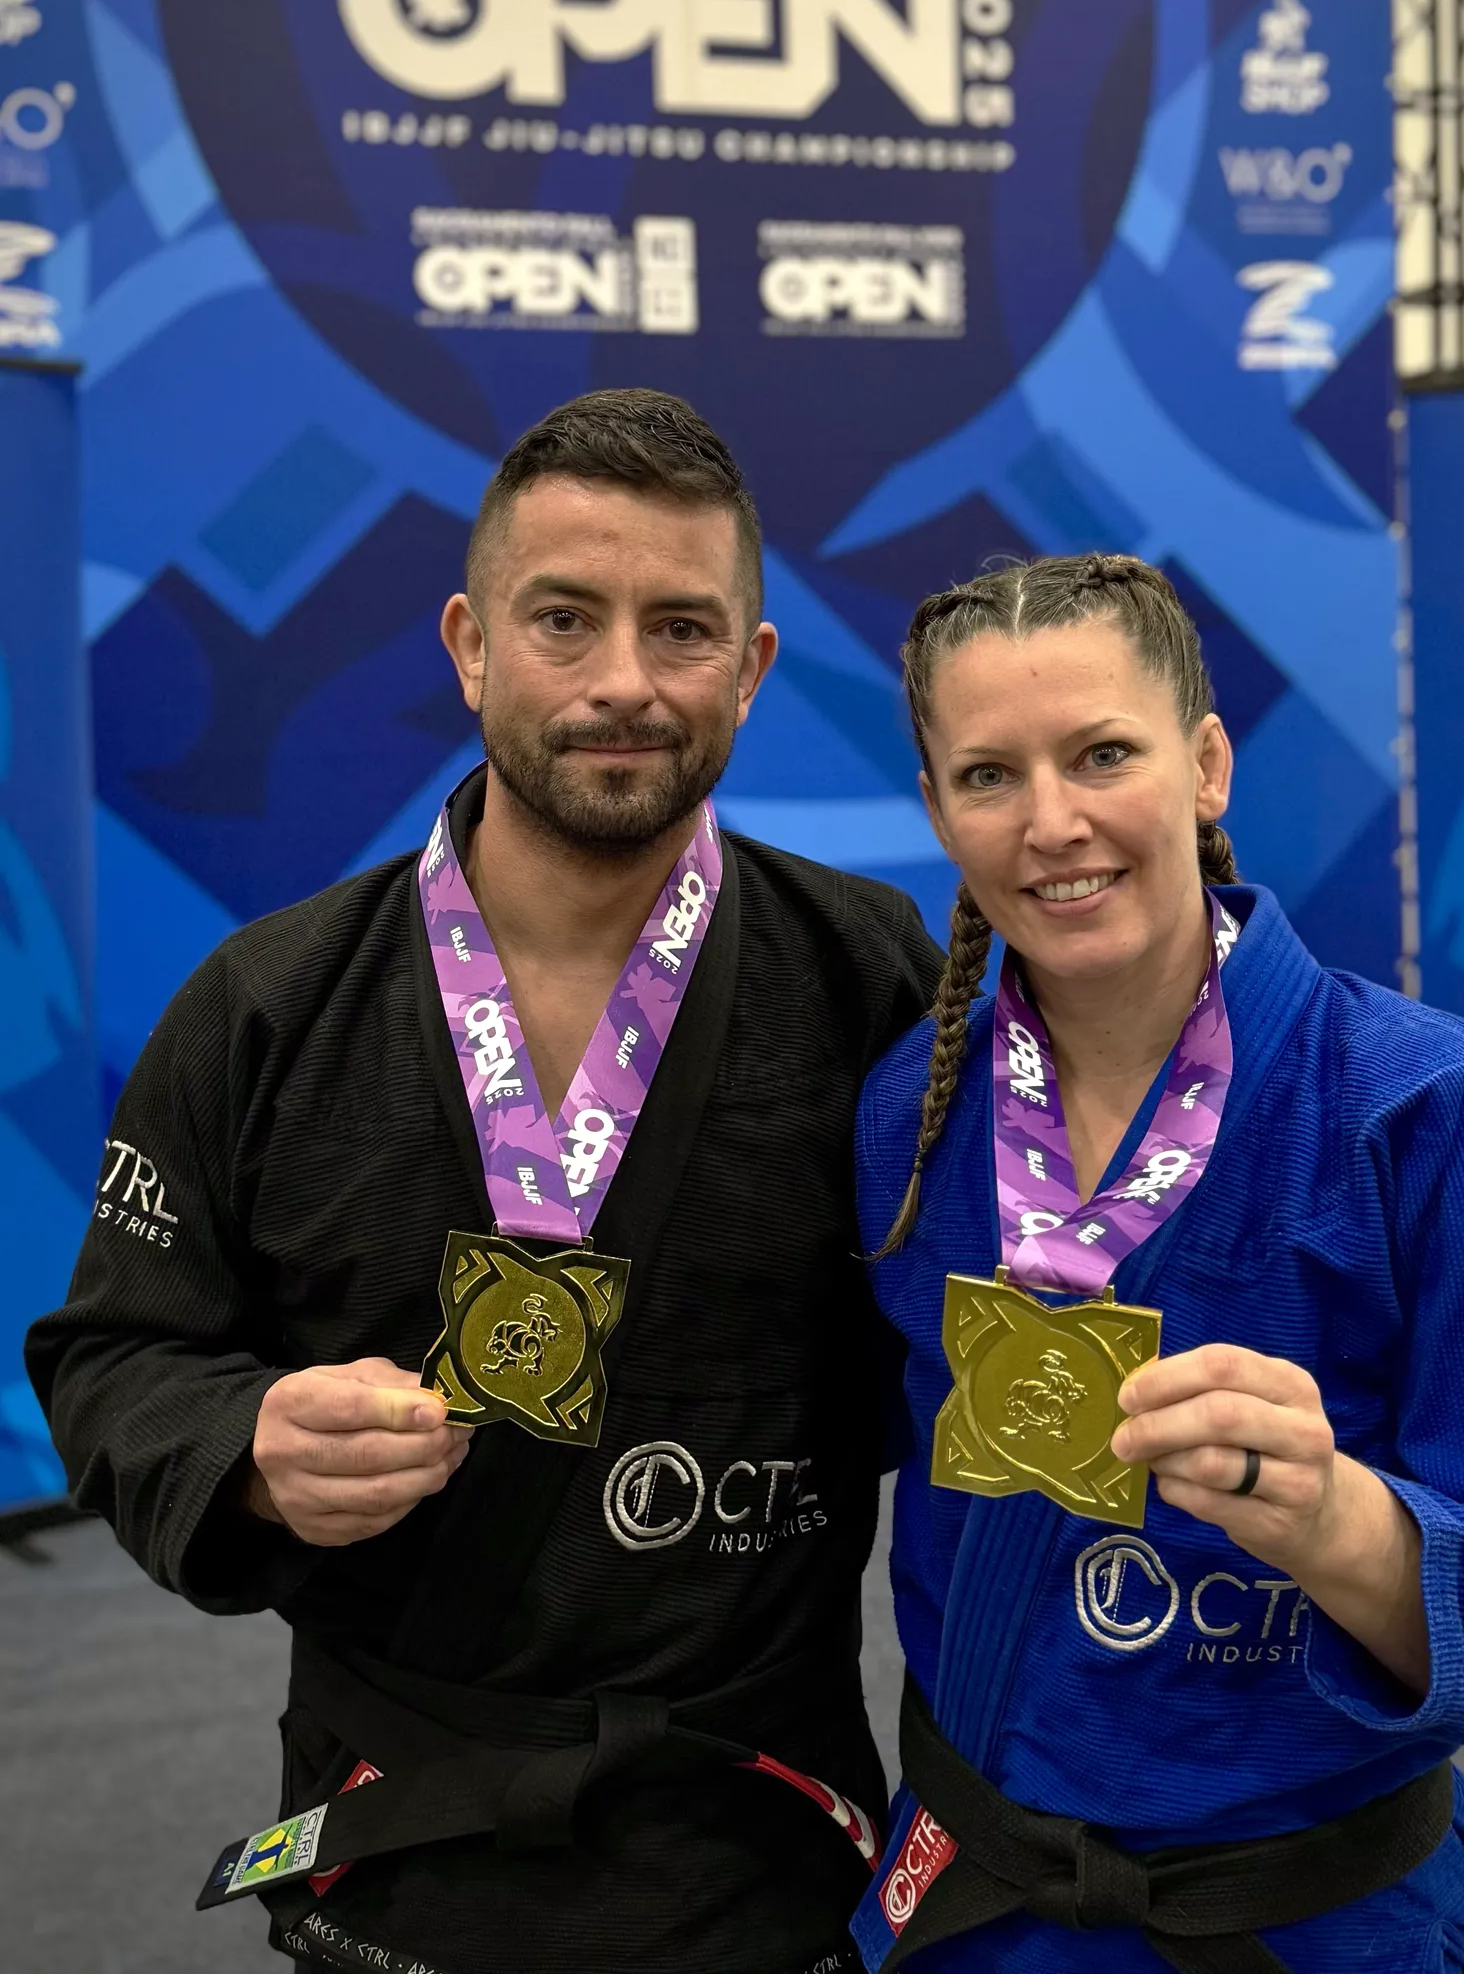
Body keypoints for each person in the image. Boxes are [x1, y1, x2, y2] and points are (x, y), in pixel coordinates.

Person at [28, 390, 945, 1974]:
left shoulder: (874, 982)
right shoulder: (268, 1004)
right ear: (468, 641)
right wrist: (241, 1443)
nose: (622, 684)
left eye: (681, 628)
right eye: (564, 620)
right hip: (401, 1851)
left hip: (760, 1847)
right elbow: (114, 1354)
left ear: (755, 663)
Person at [849, 555, 1464, 1974]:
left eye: (1103, 752)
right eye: (990, 774)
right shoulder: (908, 1121)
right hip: (977, 1913)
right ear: (939, 808)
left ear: (1206, 764)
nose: (1053, 822)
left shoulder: (1443, 1116)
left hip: (1310, 1926)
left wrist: (1344, 1520)